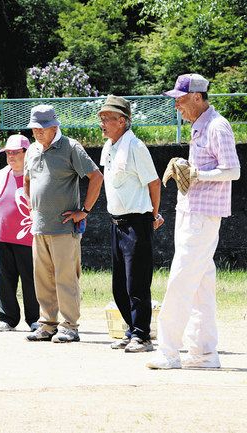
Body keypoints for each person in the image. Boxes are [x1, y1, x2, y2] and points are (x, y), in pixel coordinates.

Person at [147, 74, 241, 369]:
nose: (177, 105)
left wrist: (198, 174)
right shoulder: (200, 126)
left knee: (181, 278)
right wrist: (189, 168)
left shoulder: (217, 125)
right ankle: (203, 353)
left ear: (198, 97)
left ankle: (168, 351)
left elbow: (233, 170)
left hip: (203, 214)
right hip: (192, 210)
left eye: (181, 99)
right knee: (201, 282)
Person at [23, 105, 103, 343]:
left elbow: (96, 177)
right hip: (39, 226)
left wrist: (84, 211)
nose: (37, 132)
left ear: (54, 126)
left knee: (66, 277)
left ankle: (70, 325)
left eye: (42, 128)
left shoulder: (71, 147)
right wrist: (31, 206)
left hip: (64, 227)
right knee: (42, 277)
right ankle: (47, 324)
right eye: (35, 128)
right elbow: (27, 180)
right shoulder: (33, 150)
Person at [98, 95, 164, 353]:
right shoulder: (110, 146)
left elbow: (154, 183)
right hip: (116, 223)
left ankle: (142, 335)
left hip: (137, 221)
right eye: (101, 118)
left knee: (137, 281)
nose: (102, 123)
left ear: (123, 121)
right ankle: (130, 329)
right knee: (119, 283)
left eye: (108, 118)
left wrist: (153, 215)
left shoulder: (136, 146)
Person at [0, 134, 40, 332]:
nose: (11, 157)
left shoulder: (36, 174)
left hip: (28, 236)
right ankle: (8, 318)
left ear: (26, 153)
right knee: (5, 278)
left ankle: (35, 319)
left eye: (15, 153)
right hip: (3, 235)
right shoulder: (2, 174)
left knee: (31, 279)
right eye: (8, 153)